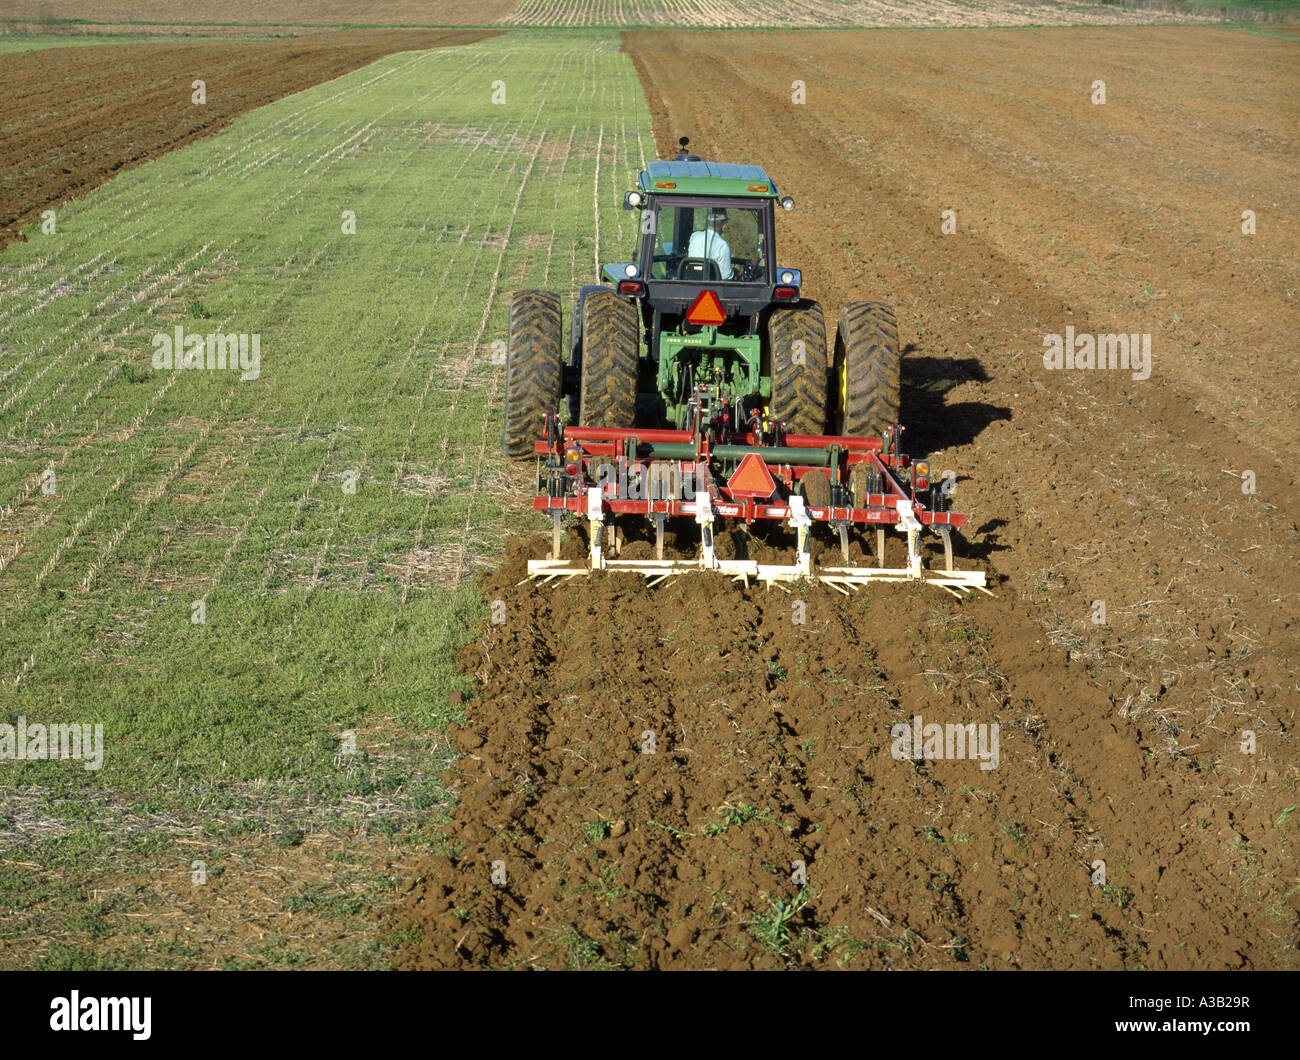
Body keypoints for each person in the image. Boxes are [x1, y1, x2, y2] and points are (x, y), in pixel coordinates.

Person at [687, 209, 733, 280]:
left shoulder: (694, 236)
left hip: (690, 282)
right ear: (724, 226)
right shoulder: (722, 245)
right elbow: (726, 276)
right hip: (711, 286)